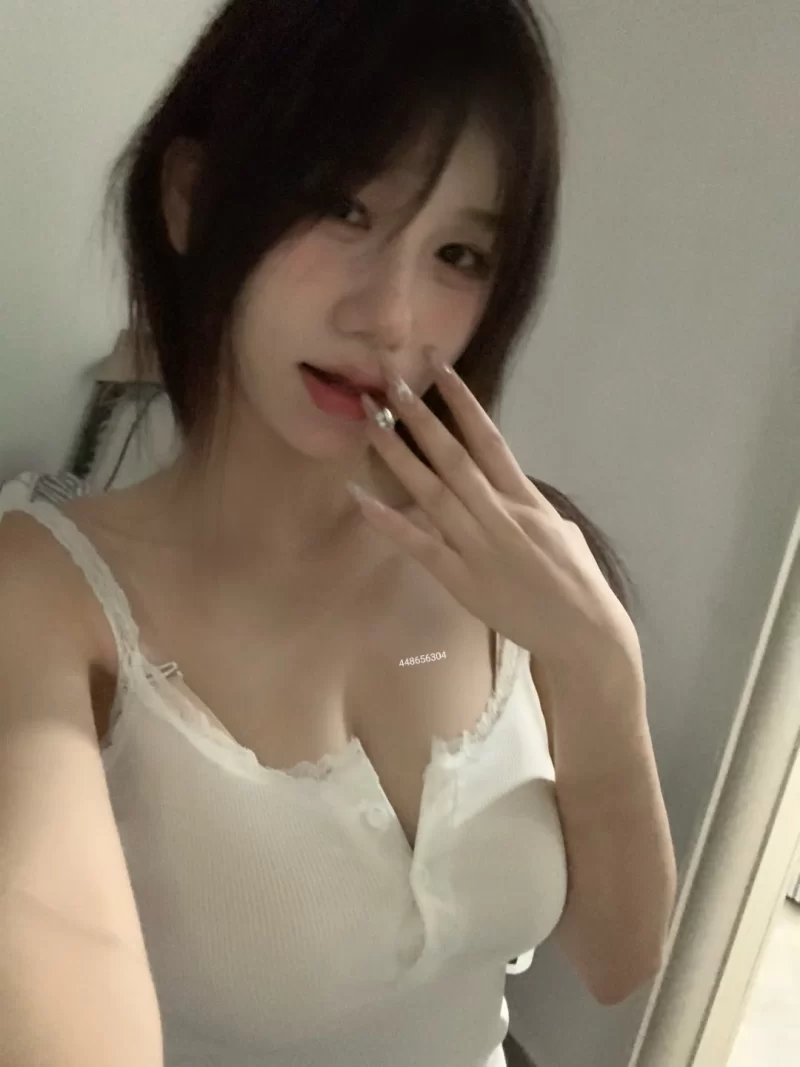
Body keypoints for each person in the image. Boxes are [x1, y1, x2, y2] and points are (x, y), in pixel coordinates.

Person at [0, 2, 677, 1066]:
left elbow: (616, 958)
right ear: (192, 198)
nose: (391, 317)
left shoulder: (516, 565)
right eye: (342, 207)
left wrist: (601, 665)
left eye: (458, 252)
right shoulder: (48, 601)